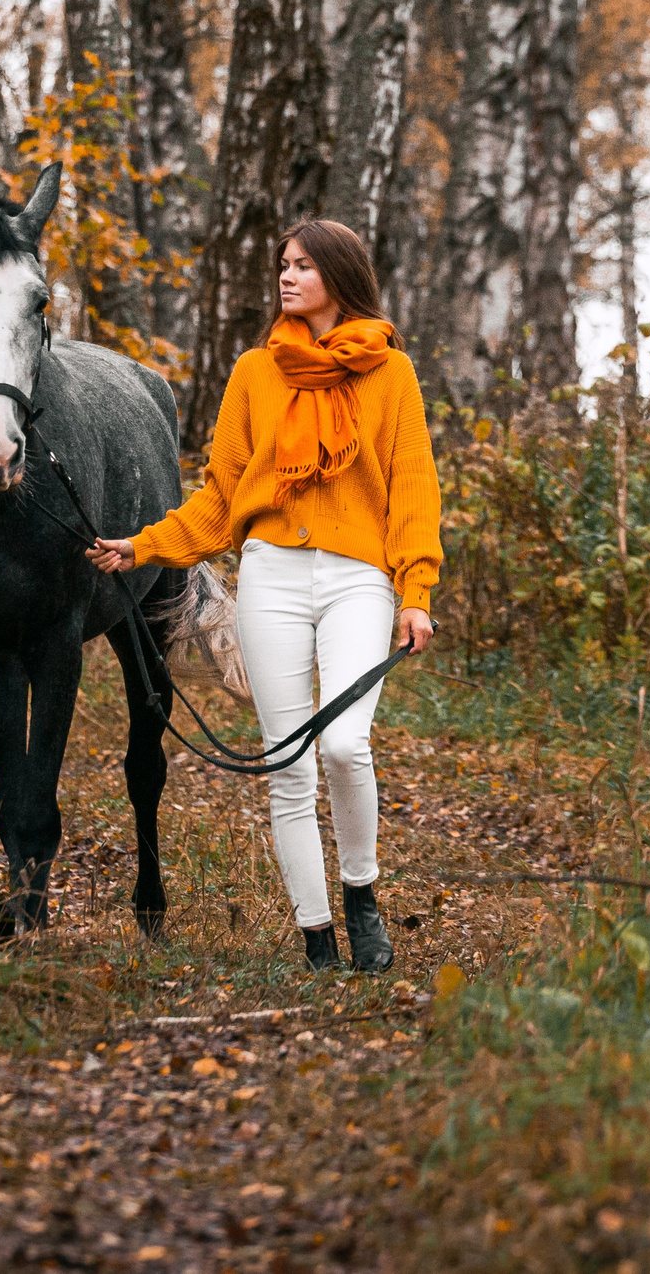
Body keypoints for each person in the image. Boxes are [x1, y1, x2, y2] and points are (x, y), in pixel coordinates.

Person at [88, 221, 440, 971]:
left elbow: (413, 488)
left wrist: (416, 591)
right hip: (271, 577)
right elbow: (220, 500)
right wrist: (142, 545)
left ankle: (361, 897)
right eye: (283, 264)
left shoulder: (391, 374)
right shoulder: (256, 372)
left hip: (358, 578)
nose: (287, 277)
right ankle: (317, 939)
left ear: (340, 278)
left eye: (304, 266)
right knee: (290, 765)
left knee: (345, 743)